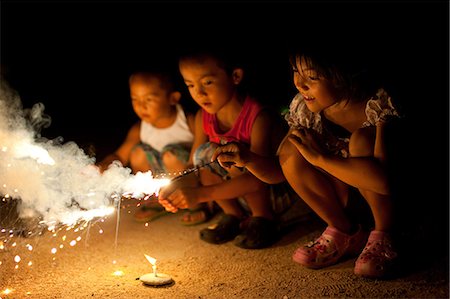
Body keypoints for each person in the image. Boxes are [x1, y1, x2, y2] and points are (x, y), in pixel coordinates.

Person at [211, 39, 402, 278]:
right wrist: (248, 159)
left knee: (360, 140)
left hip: (391, 203)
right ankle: (345, 232)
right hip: (346, 202)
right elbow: (281, 171)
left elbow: (384, 182)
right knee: (293, 149)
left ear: (344, 74)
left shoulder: (378, 107)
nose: (299, 84)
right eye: (295, 72)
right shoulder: (306, 111)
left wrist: (320, 159)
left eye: (312, 77)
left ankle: (385, 236)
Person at [158, 45, 284, 249]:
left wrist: (200, 195)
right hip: (235, 189)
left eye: (207, 82)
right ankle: (234, 215)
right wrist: (177, 187)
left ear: (235, 76)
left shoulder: (259, 117)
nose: (199, 93)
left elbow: (258, 179)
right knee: (203, 155)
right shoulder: (203, 117)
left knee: (235, 154)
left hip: (274, 191)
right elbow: (193, 165)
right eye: (190, 85)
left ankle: (263, 219)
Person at [98, 70, 212, 225]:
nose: (140, 106)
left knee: (170, 155)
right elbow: (120, 156)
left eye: (149, 99)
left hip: (188, 179)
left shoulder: (188, 121)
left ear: (172, 98)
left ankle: (196, 205)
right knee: (138, 153)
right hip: (161, 182)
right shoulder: (139, 129)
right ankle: (155, 202)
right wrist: (103, 167)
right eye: (135, 99)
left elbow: (198, 160)